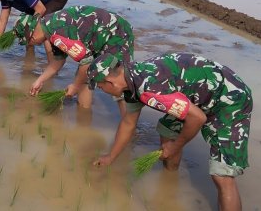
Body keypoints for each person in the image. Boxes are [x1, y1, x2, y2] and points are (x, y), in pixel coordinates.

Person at [91, 53, 252, 211]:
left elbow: (198, 118)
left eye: (100, 86)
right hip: (197, 96)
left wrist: (174, 147)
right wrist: (110, 157)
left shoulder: (149, 89)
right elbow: (128, 123)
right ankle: (170, 183)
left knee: (222, 176)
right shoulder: (130, 81)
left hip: (230, 98)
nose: (100, 89)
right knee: (167, 130)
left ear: (110, 82)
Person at [12, 5, 134, 108]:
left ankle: (129, 123)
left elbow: (85, 63)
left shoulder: (57, 35)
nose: (32, 44)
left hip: (116, 33)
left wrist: (75, 86)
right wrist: (40, 80)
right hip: (97, 38)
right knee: (87, 76)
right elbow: (58, 61)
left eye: (29, 41)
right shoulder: (49, 27)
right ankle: (84, 117)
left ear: (31, 35)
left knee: (117, 79)